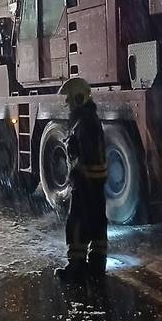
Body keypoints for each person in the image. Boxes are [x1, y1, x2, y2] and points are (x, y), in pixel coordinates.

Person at [56, 77, 108, 281]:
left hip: (86, 182)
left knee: (77, 223)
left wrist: (77, 178)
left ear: (78, 98)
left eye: (69, 99)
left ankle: (76, 268)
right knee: (97, 223)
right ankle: (96, 267)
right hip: (95, 182)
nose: (67, 103)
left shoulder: (83, 122)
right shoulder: (89, 119)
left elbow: (83, 155)